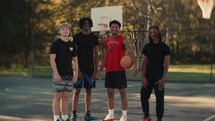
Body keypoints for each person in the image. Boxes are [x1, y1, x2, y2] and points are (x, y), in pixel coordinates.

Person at [98, 20, 137, 121]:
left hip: (119, 70)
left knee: (122, 93)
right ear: (110, 28)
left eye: (116, 27)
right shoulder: (106, 41)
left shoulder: (123, 39)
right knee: (110, 93)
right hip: (109, 71)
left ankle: (124, 116)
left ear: (119, 29)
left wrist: (135, 65)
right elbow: (105, 57)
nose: (114, 28)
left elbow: (131, 52)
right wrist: (100, 69)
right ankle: (111, 115)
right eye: (113, 27)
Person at [71, 17, 99, 121]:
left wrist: (95, 71)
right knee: (77, 90)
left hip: (90, 69)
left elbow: (96, 55)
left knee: (89, 91)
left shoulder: (94, 38)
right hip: (79, 68)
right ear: (81, 25)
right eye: (84, 23)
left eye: (88, 23)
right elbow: (73, 55)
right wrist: (77, 70)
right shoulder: (77, 37)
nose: (86, 24)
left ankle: (87, 114)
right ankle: (73, 114)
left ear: (90, 25)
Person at [140, 25, 170, 121]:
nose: (153, 34)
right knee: (143, 96)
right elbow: (144, 63)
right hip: (148, 76)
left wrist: (163, 79)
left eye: (155, 32)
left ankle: (159, 118)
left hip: (159, 77)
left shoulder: (164, 47)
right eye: (151, 32)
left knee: (159, 99)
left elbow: (166, 64)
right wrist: (143, 77)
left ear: (158, 33)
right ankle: (146, 116)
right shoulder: (147, 47)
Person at [50, 23, 78, 121]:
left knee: (66, 96)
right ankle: (56, 118)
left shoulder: (72, 45)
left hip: (69, 75)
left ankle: (65, 118)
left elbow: (75, 60)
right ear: (60, 31)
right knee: (58, 96)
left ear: (69, 31)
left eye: (67, 29)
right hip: (59, 74)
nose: (65, 30)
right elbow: (52, 59)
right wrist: (56, 74)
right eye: (63, 29)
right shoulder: (56, 44)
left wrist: (76, 74)